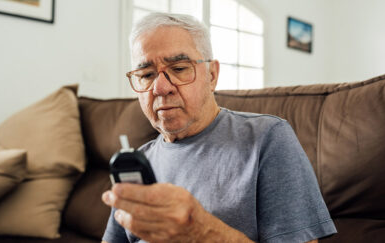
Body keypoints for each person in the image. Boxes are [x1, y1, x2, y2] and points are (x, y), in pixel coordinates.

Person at [101, 12, 337, 243]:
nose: (161, 88)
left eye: (179, 68)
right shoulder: (136, 162)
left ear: (212, 75)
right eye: (146, 74)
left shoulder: (268, 138)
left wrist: (202, 233)